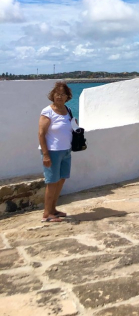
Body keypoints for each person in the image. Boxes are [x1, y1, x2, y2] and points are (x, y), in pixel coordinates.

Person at [38, 81, 74, 222]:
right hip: (52, 152)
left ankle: (53, 209)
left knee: (61, 180)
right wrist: (46, 155)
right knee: (52, 182)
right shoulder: (47, 111)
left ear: (67, 97)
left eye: (62, 94)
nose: (59, 97)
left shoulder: (67, 110)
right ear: (52, 95)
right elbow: (41, 133)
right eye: (57, 94)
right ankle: (47, 214)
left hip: (66, 150)